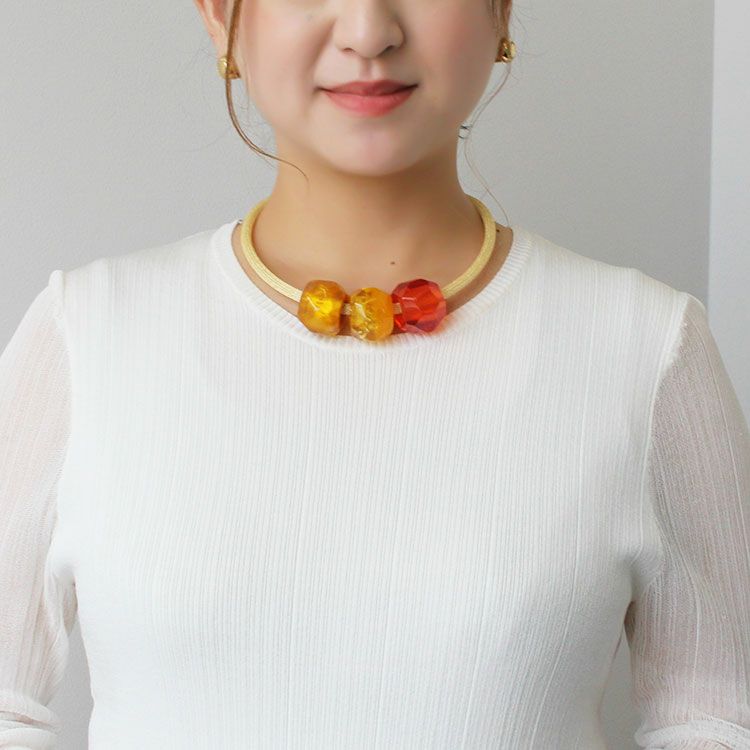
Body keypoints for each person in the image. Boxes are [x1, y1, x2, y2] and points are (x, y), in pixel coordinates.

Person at [1, 0, 748, 747]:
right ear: (221, 17)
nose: (367, 32)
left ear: (501, 11)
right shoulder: (87, 332)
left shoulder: (647, 346)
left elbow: (714, 720)